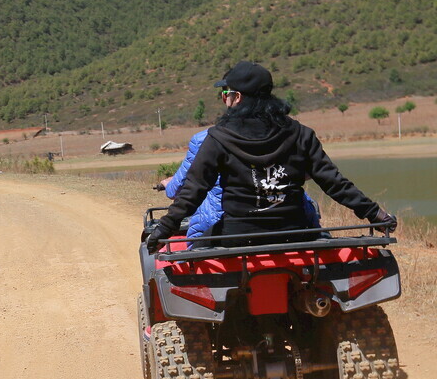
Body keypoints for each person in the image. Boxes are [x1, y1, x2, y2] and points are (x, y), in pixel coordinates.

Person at [147, 61, 395, 253]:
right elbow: (334, 183)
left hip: (237, 236)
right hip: (296, 233)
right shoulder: (301, 134)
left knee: (194, 257)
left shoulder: (218, 138)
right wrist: (375, 214)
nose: (224, 98)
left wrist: (164, 229)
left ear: (238, 97)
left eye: (226, 93)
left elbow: (193, 190)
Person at [159, 128, 321, 241]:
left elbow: (177, 189)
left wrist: (168, 183)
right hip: (294, 224)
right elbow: (310, 173)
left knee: (186, 263)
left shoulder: (205, 138)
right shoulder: (292, 132)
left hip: (224, 227)